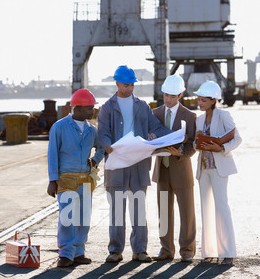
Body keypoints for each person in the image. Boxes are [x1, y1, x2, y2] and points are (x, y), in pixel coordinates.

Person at [98, 65, 172, 263]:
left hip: (138, 164)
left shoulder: (142, 106)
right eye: (126, 84)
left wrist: (169, 137)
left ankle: (140, 250)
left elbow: (155, 127)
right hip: (117, 164)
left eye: (132, 84)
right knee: (116, 210)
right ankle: (115, 250)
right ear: (117, 83)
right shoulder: (107, 107)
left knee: (138, 208)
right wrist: (107, 145)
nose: (130, 88)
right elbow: (103, 131)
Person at [47, 89, 104, 268]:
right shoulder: (59, 127)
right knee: (67, 217)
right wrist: (52, 180)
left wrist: (95, 160)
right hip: (66, 179)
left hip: (85, 180)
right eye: (89, 108)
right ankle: (65, 254)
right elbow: (52, 154)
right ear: (78, 108)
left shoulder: (91, 130)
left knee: (83, 217)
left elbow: (101, 147)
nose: (92, 111)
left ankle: (79, 252)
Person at [193, 80, 242, 265]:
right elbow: (195, 144)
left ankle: (228, 252)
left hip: (219, 167)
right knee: (206, 208)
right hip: (203, 169)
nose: (200, 103)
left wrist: (220, 148)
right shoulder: (198, 119)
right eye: (198, 100)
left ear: (213, 100)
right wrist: (197, 143)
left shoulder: (223, 115)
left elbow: (237, 139)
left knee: (222, 207)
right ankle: (209, 252)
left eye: (203, 100)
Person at [152, 75, 197, 262]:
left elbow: (194, 143)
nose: (168, 100)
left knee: (187, 212)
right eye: (165, 95)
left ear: (180, 95)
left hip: (181, 168)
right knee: (164, 211)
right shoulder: (155, 114)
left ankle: (187, 251)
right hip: (162, 169)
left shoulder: (190, 116)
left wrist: (182, 152)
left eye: (172, 96)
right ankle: (166, 250)